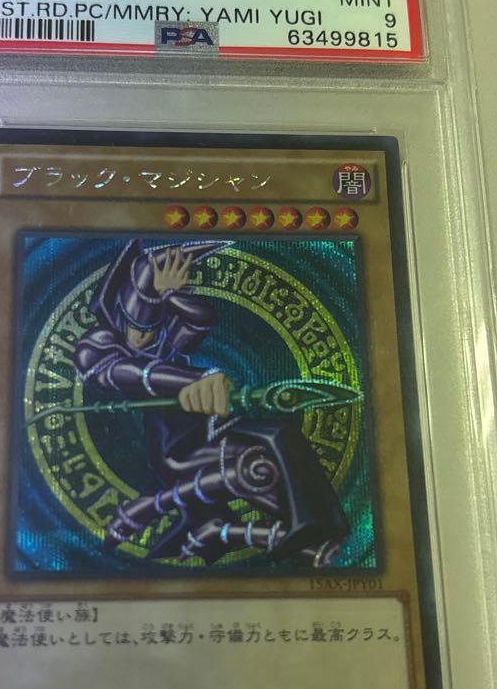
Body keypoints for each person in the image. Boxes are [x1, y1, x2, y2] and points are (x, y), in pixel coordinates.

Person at [74, 240, 348, 567]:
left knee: (276, 437)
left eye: (151, 327)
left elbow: (201, 319)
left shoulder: (163, 338)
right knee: (256, 463)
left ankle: (309, 525)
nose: (142, 338)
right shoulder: (99, 345)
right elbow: (123, 372)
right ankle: (269, 530)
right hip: (175, 452)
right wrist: (192, 380)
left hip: (207, 433)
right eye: (134, 326)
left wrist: (171, 295)